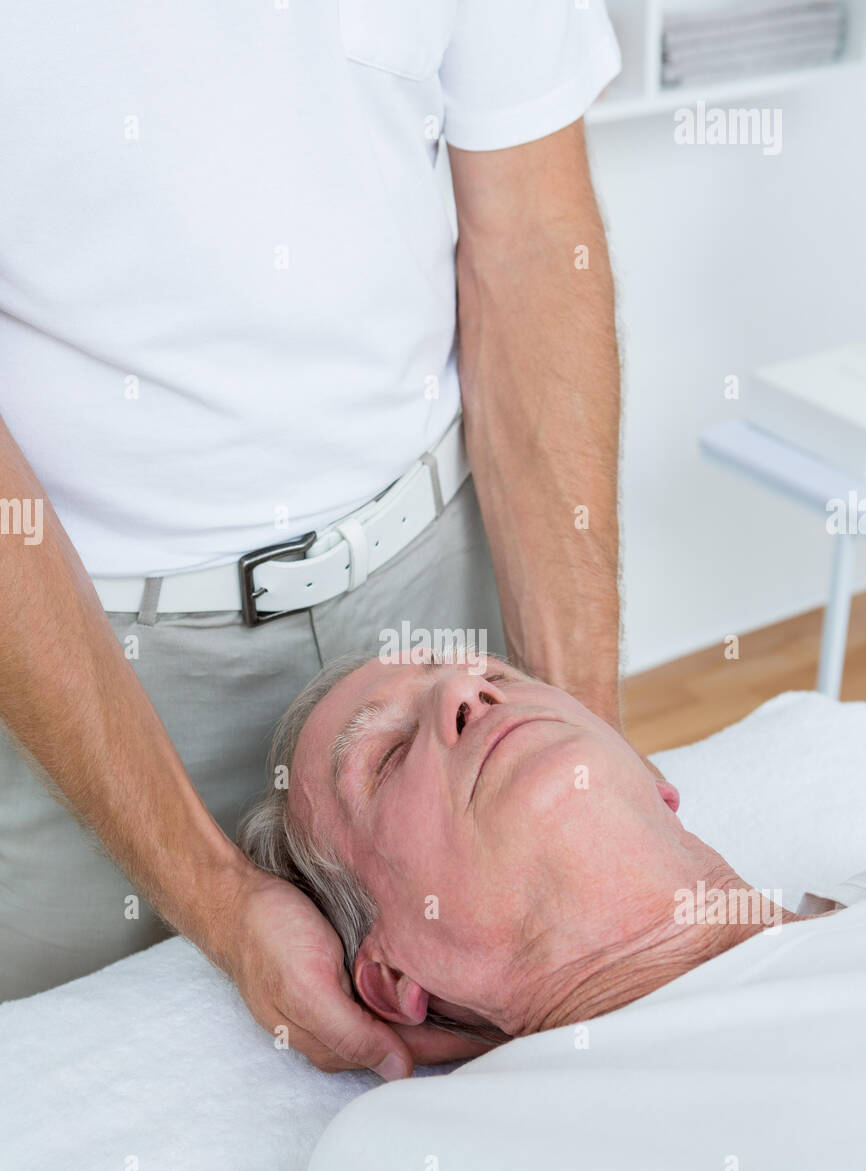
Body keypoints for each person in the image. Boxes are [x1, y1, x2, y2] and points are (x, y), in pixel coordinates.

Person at [0, 3, 624, 1081]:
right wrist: (214, 900)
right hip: (77, 647)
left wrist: (582, 755)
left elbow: (528, 236)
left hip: (433, 565)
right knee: (79, 1095)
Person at [240, 648, 839, 1040]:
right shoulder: (412, 1160)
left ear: (657, 787)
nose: (465, 693)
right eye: (389, 757)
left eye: (495, 676)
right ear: (397, 977)